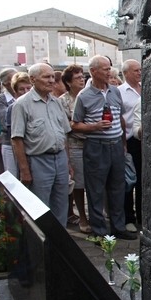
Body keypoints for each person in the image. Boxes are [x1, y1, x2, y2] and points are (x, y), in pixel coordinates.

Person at [71, 55, 137, 240]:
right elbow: (75, 124)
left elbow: (121, 119)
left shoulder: (115, 92)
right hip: (95, 147)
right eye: (106, 69)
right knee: (96, 190)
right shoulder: (83, 96)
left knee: (118, 187)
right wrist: (94, 127)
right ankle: (99, 232)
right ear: (93, 71)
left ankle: (118, 227)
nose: (110, 72)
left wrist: (123, 142)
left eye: (110, 68)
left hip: (116, 145)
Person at [11, 63, 72, 227]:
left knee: (61, 204)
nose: (52, 80)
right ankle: (42, 247)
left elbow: (64, 134)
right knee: (40, 207)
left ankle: (59, 246)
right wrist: (24, 170)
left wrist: (67, 162)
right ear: (32, 79)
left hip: (59, 159)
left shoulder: (56, 102)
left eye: (52, 76)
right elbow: (17, 139)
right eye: (47, 77)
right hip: (38, 161)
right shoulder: (22, 104)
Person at [60, 65, 91, 233]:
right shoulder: (63, 101)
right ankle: (83, 218)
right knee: (79, 183)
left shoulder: (89, 95)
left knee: (95, 181)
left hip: (93, 144)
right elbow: (67, 127)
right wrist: (91, 127)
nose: (82, 79)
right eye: (77, 77)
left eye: (82, 76)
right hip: (75, 145)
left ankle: (95, 214)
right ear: (68, 82)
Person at [119, 59, 142, 232]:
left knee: (145, 179)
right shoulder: (119, 92)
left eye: (140, 69)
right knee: (129, 180)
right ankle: (128, 217)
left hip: (147, 139)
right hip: (128, 140)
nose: (139, 72)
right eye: (135, 70)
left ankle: (144, 216)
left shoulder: (147, 88)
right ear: (126, 73)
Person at [3, 73, 34, 178]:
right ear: (15, 92)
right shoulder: (13, 108)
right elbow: (13, 136)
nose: (26, 92)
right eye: (21, 89)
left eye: (28, 88)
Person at [0, 68, 17, 176]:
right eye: (14, 78)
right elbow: (4, 123)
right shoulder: (0, 99)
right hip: (9, 143)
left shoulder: (27, 96)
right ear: (5, 83)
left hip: (29, 144)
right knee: (12, 177)